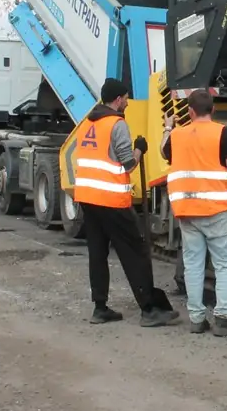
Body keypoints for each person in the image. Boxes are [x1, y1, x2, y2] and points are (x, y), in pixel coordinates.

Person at [72, 78, 180, 327]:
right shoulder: (116, 124)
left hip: (87, 198)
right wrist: (140, 148)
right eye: (127, 98)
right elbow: (128, 164)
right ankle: (149, 309)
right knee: (136, 252)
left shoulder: (87, 123)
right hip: (111, 200)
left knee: (97, 253)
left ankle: (100, 308)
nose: (128, 102)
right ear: (118, 99)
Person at [161, 89, 227, 336]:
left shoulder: (177, 136)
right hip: (216, 210)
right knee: (224, 264)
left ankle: (196, 319)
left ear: (190, 112)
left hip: (186, 211)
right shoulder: (222, 133)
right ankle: (223, 319)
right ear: (212, 110)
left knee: (193, 264)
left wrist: (168, 127)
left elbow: (164, 152)